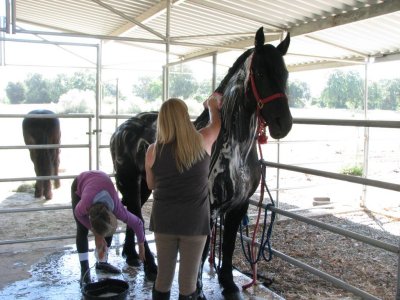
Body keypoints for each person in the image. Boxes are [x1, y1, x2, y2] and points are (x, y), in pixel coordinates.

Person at [145, 94, 221, 300]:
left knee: (163, 278)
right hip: (194, 224)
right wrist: (212, 105)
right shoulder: (203, 139)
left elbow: (151, 185)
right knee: (188, 284)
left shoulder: (152, 151)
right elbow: (217, 124)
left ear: (162, 121)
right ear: (185, 118)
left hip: (164, 221)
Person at [71, 170, 146, 285]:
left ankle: (102, 263)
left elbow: (138, 223)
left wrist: (141, 246)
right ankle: (84, 270)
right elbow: (78, 214)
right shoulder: (85, 204)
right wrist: (94, 231)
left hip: (100, 185)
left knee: (106, 228)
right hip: (81, 183)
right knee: (82, 229)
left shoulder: (117, 208)